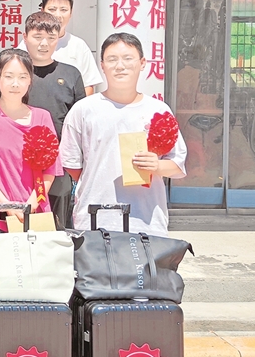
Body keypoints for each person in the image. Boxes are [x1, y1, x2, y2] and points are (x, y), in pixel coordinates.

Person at [59, 33, 187, 236]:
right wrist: (98, 176)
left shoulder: (158, 110)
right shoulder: (83, 110)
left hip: (146, 219)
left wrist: (156, 166)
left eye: (128, 58)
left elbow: (177, 164)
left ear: (142, 63)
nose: (120, 66)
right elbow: (72, 164)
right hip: (95, 217)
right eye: (112, 59)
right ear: (102, 66)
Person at [0, 49, 63, 233]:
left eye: (22, 77)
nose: (15, 84)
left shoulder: (42, 117)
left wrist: (31, 205)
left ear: (30, 80)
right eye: (9, 76)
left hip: (34, 215)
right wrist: (7, 205)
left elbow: (49, 171)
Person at [24, 12, 86, 230]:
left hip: (59, 164)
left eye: (51, 38)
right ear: (25, 37)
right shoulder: (13, 73)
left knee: (58, 227)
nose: (44, 44)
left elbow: (81, 124)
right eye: (37, 37)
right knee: (21, 222)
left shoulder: (71, 74)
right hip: (18, 164)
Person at [31, 0, 104, 95]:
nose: (58, 15)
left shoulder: (79, 46)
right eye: (52, 9)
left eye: (64, 10)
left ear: (71, 13)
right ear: (42, 11)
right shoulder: (29, 44)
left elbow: (88, 86)